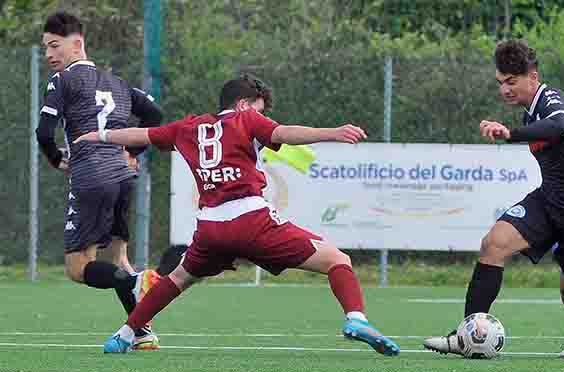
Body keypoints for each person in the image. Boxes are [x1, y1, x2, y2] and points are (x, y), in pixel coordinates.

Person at [74, 73, 401, 356]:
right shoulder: (246, 119)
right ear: (244, 104)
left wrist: (99, 136)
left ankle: (125, 335)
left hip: (211, 228)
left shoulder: (189, 127)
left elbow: (140, 135)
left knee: (178, 279)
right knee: (338, 261)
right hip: (251, 220)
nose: (263, 117)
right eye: (260, 109)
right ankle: (356, 319)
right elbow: (284, 133)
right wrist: (333, 132)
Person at [423, 40, 564, 358]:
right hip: (550, 201)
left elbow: (558, 125)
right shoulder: (529, 115)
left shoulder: (553, 100)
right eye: (500, 83)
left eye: (512, 81)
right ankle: (465, 334)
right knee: (493, 243)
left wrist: (510, 134)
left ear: (532, 77)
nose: (505, 90)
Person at [36, 11, 163, 349]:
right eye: (45, 47)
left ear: (76, 44)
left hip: (91, 177)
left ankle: (140, 283)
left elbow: (43, 132)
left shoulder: (62, 81)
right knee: (118, 259)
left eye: (54, 45)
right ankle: (141, 331)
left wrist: (57, 160)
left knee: (78, 267)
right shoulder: (118, 83)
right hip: (124, 178)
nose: (49, 54)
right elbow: (155, 117)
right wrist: (133, 151)